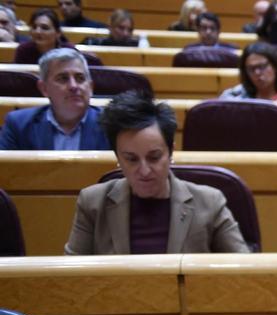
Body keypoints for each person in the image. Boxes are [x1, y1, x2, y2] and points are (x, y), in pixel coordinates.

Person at [65, 91, 250, 255]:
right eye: (131, 159)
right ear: (118, 158)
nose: (144, 171)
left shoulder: (210, 203)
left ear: (170, 152)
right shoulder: (92, 203)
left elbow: (244, 274)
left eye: (154, 157)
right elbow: (70, 281)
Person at [0, 49, 108, 151]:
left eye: (80, 78)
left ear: (90, 87)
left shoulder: (111, 125)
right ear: (44, 88)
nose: (73, 86)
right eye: (63, 78)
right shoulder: (18, 124)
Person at [82, 9, 147, 47]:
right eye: (121, 28)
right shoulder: (93, 43)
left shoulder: (138, 46)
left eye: (130, 30)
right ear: (110, 27)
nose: (126, 34)